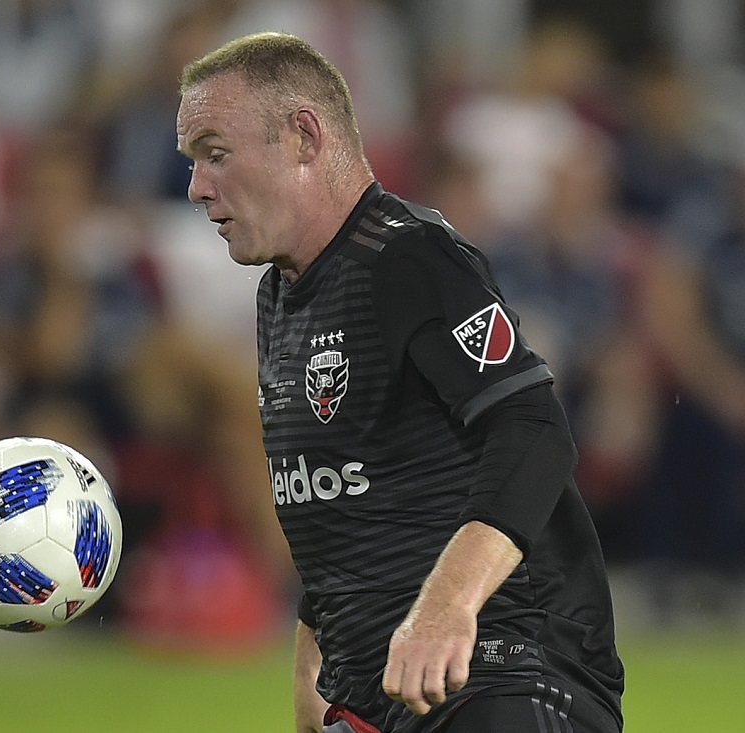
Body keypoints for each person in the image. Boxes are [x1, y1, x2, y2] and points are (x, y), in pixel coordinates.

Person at [176, 32, 624, 733]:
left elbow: (533, 429)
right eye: (193, 161)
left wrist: (447, 606)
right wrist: (316, 648)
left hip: (500, 671)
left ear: (303, 137)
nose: (198, 186)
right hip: (386, 690)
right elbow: (343, 488)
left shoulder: (409, 258)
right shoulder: (281, 296)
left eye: (216, 153)